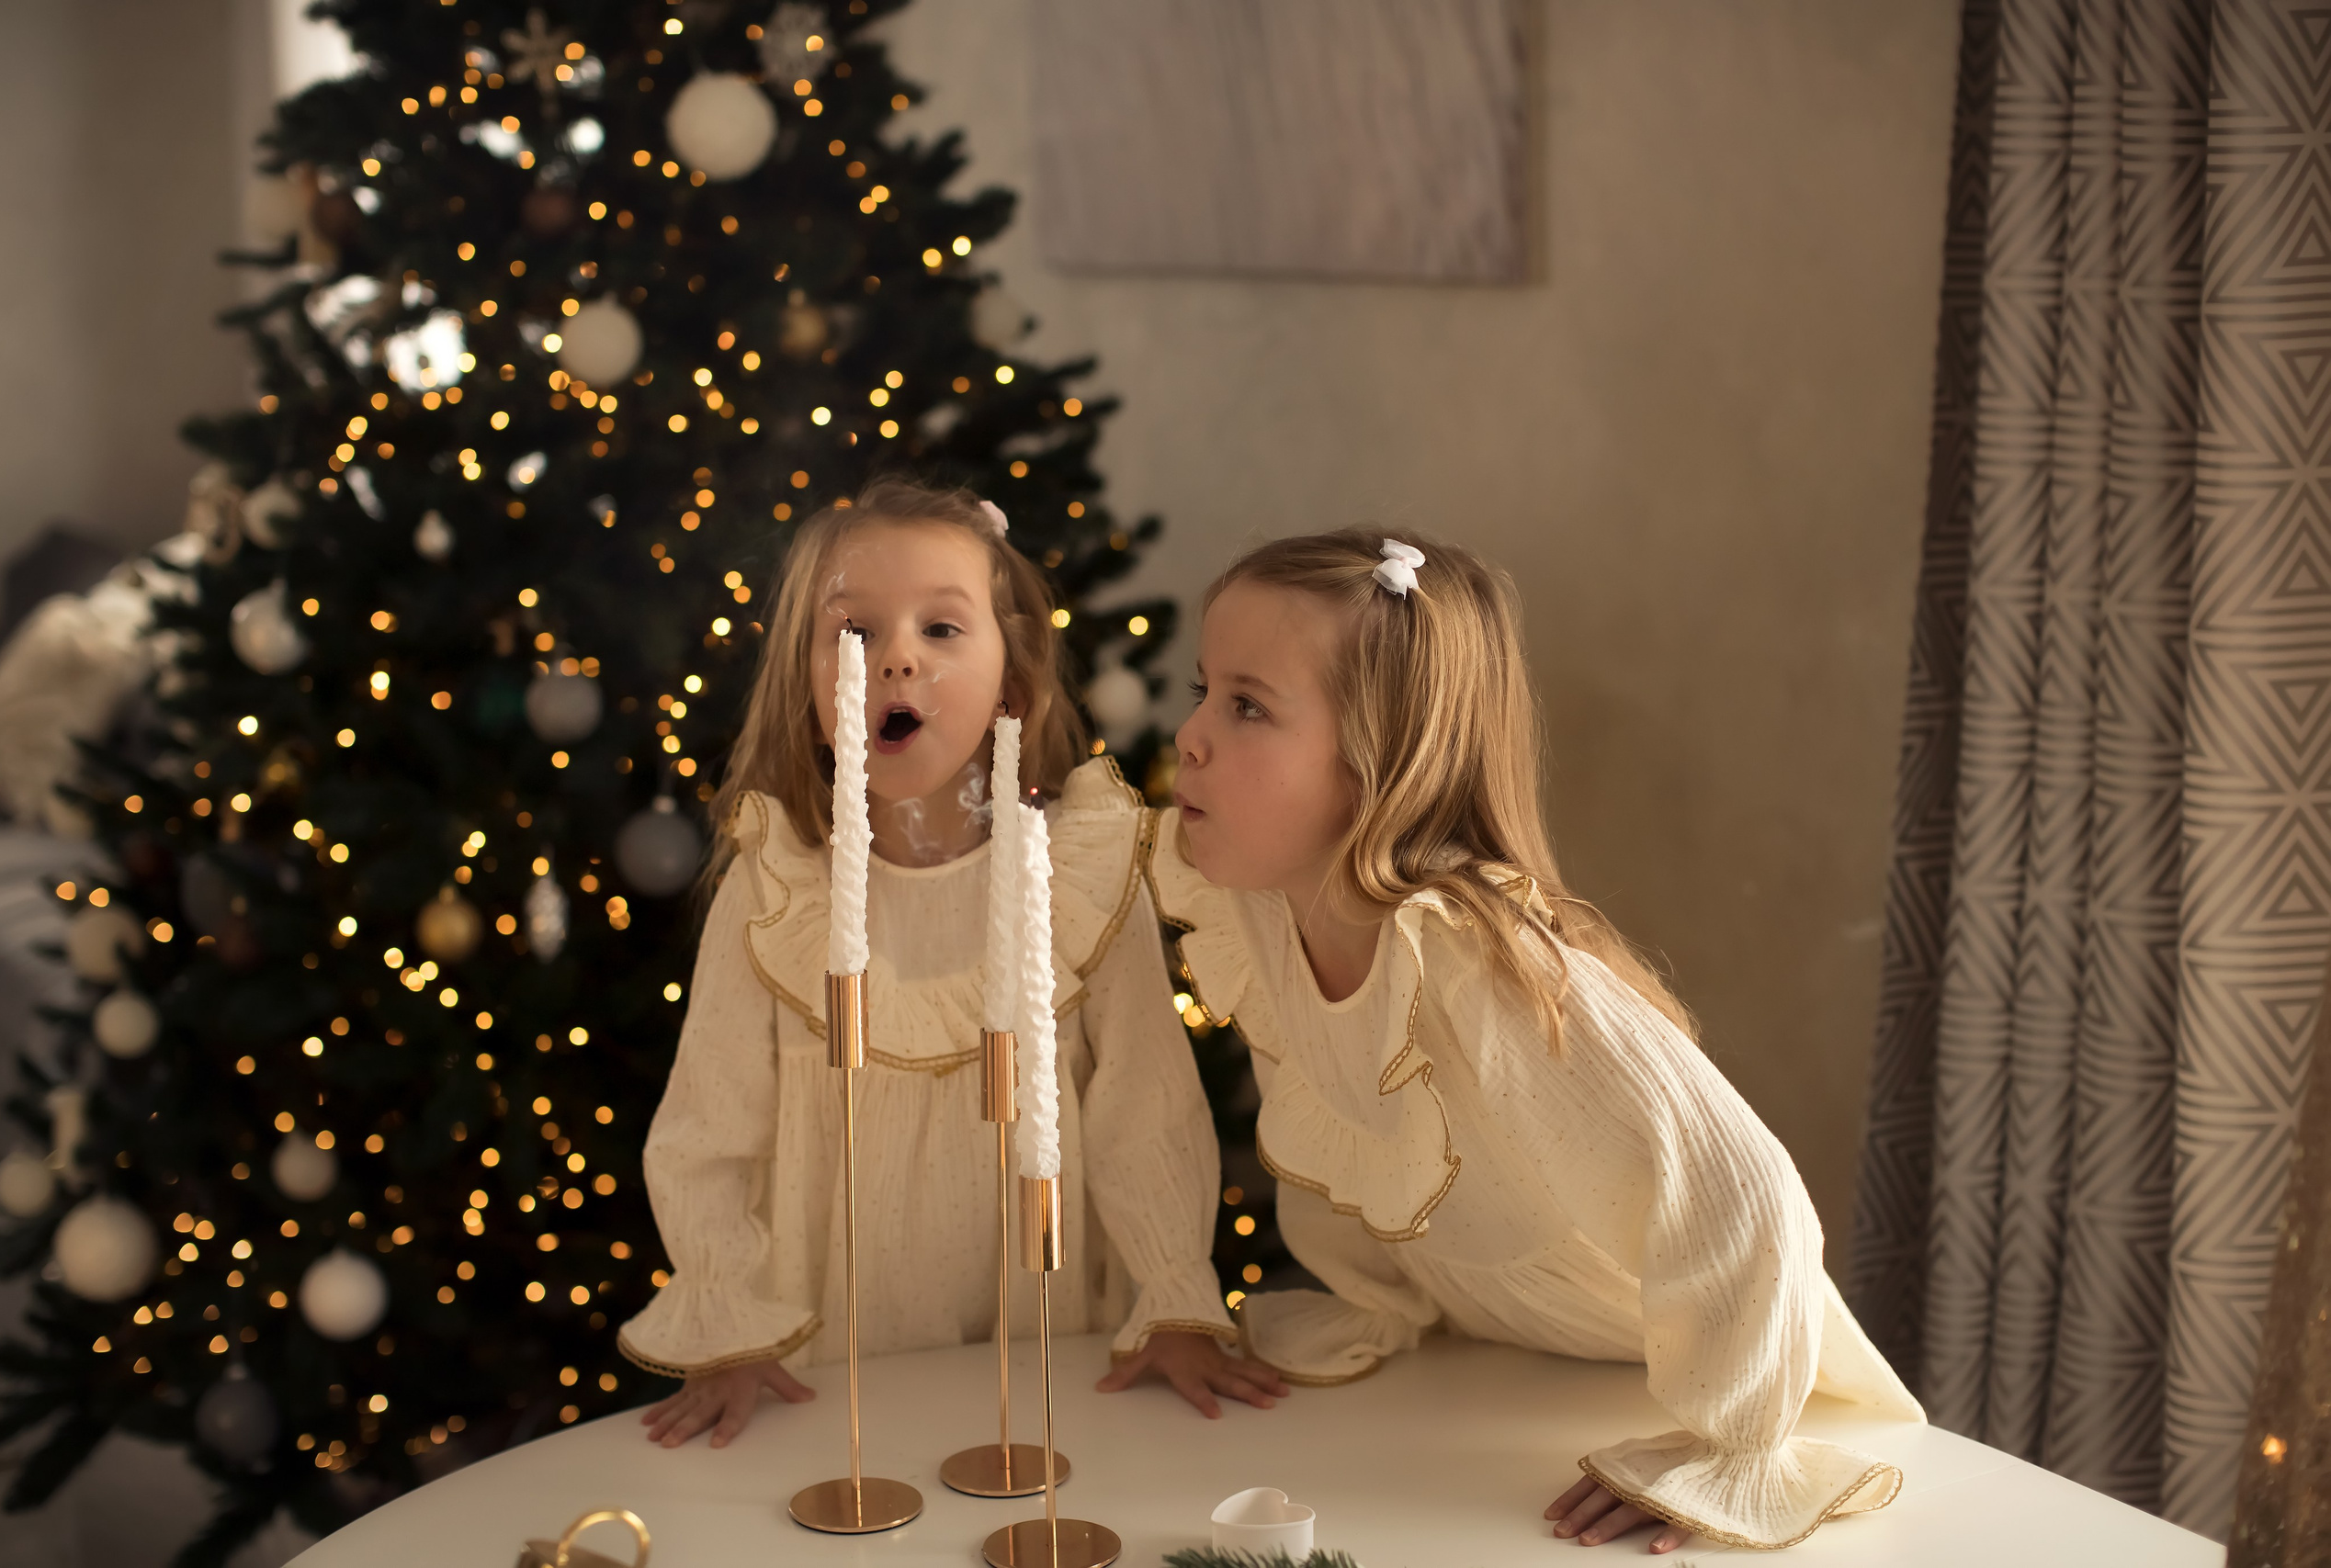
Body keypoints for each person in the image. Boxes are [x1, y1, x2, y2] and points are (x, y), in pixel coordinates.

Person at [1152, 529, 1922, 1551]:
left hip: (1674, 1364)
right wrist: (1374, 1303)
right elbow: (1345, 1125)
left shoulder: (1476, 961)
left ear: (1381, 763)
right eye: (1203, 688)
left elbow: (1748, 1187)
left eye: (1247, 706)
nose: (1191, 734)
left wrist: (1726, 1444)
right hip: (1499, 1353)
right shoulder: (1254, 905)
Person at [621, 479, 1283, 1447]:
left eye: (940, 630)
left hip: (1055, 1354)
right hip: (826, 1379)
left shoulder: (1083, 881)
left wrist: (1176, 1299)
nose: (895, 658)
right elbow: (706, 1133)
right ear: (811, 696)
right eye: (852, 635)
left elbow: (1146, 1109)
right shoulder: (775, 895)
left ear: (1010, 686)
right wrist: (724, 1325)